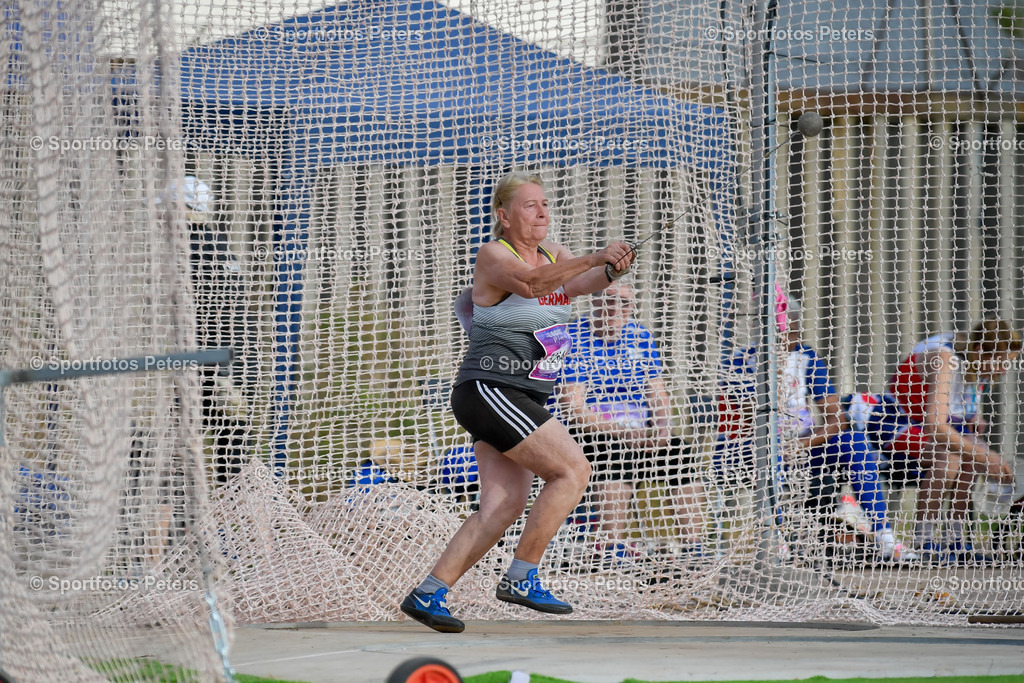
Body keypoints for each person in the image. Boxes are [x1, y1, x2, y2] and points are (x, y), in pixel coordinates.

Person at [400, 172, 636, 633]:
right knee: (573, 471)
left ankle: (428, 593)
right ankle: (522, 576)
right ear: (504, 216)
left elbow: (581, 283)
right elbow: (531, 284)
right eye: (530, 205)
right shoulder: (494, 255)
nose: (542, 212)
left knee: (502, 507)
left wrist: (613, 269)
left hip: (521, 395)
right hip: (491, 389)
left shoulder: (555, 254)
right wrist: (595, 256)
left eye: (545, 203)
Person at [716, 292, 913, 561]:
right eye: (778, 333)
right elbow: (733, 423)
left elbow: (836, 419)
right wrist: (768, 392)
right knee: (771, 452)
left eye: (790, 333)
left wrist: (802, 443)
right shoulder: (740, 362)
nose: (785, 340)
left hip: (800, 446)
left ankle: (884, 536)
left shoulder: (805, 357)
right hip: (752, 448)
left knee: (854, 443)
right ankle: (775, 538)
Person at [554, 281, 706, 564]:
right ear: (594, 302)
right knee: (613, 452)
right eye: (610, 300)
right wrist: (624, 433)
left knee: (681, 453)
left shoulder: (640, 336)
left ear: (633, 307)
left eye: (625, 302)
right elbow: (574, 409)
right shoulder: (572, 338)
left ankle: (694, 549)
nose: (617, 308)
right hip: (590, 432)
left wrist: (662, 428)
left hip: (639, 433)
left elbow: (657, 392)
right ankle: (611, 547)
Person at [885, 320, 1020, 562]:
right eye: (1001, 363)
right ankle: (924, 541)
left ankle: (955, 541)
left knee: (971, 456)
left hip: (926, 429)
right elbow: (935, 426)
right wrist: (986, 456)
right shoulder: (944, 359)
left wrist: (973, 418)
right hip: (897, 424)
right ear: (980, 350)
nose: (1003, 370)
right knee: (951, 459)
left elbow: (958, 409)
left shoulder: (976, 362)